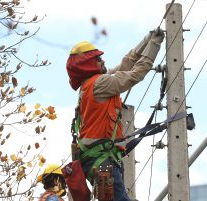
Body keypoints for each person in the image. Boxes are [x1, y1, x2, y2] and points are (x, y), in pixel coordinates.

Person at [66, 28, 165, 201]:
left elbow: (127, 63)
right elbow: (136, 73)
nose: (102, 60)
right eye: (98, 59)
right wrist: (155, 44)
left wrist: (147, 39)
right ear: (88, 63)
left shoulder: (91, 84)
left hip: (102, 160)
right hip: (102, 160)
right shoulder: (100, 84)